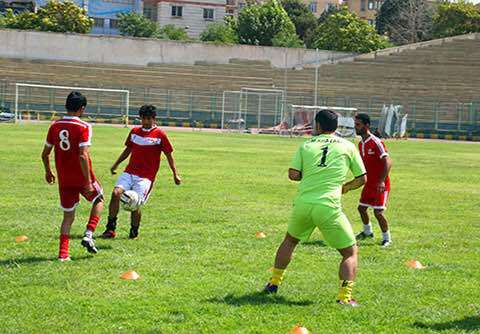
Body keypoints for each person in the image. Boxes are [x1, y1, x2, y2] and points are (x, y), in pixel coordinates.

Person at [264, 110, 366, 306]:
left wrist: (309, 176)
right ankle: (344, 298)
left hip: (303, 204)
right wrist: (345, 187)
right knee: (349, 252)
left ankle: (273, 284)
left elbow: (293, 174)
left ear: (318, 126)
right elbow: (362, 178)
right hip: (328, 206)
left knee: (290, 241)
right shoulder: (347, 146)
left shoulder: (306, 145)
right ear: (336, 127)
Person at [101, 105, 181, 239]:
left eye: (148, 119)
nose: (145, 122)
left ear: (154, 119)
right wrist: (116, 164)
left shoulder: (160, 135)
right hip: (129, 172)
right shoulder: (134, 132)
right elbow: (128, 150)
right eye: (143, 119)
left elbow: (169, 155)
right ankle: (110, 229)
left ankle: (133, 232)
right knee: (116, 193)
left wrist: (175, 174)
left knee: (135, 202)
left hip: (146, 177)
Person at [41, 92, 104, 261]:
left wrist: (48, 171)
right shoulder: (84, 126)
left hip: (64, 178)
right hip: (82, 177)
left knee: (68, 217)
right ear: (82, 108)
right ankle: (89, 234)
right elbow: (83, 155)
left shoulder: (54, 126)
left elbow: (45, 154)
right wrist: (88, 181)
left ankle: (63, 255)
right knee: (99, 199)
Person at [354, 113, 393, 247]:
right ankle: (367, 232)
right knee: (361, 208)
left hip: (380, 184)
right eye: (355, 124)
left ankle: (387, 238)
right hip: (369, 184)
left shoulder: (376, 142)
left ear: (367, 125)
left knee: (378, 212)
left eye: (358, 125)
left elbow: (388, 161)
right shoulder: (361, 144)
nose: (355, 127)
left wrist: (382, 181)